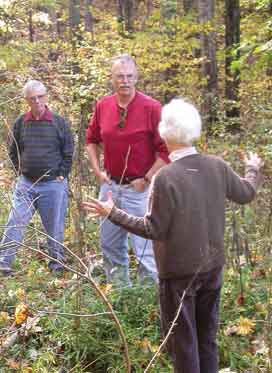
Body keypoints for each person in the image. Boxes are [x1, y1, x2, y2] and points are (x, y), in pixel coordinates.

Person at [83, 98, 263, 373]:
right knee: (207, 341)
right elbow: (247, 192)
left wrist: (112, 213)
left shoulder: (166, 177)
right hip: (212, 268)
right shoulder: (217, 166)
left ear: (165, 133)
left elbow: (153, 228)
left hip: (178, 276)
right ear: (195, 130)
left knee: (184, 346)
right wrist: (253, 167)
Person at [86, 54, 169, 286]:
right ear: (112, 79)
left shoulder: (152, 108)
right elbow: (91, 139)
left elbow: (166, 150)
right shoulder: (103, 106)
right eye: (120, 76)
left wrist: (147, 177)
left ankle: (147, 302)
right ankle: (121, 296)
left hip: (140, 189)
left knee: (144, 248)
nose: (125, 81)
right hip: (110, 188)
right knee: (110, 244)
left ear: (136, 77)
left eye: (129, 76)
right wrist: (96, 170)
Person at [0, 80, 74, 275]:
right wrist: (19, 171)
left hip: (52, 185)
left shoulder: (59, 123)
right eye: (32, 98)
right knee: (15, 221)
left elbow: (68, 151)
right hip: (27, 183)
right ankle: (3, 265)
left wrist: (62, 175)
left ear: (46, 97)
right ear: (27, 100)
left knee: (54, 227)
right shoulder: (21, 123)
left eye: (40, 97)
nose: (37, 101)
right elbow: (13, 150)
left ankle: (57, 265)